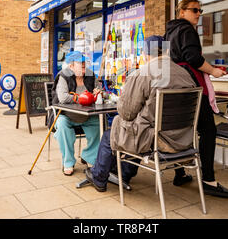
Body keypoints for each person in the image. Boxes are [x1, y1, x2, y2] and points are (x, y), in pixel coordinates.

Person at [84, 35, 197, 192]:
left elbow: (126, 112)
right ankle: (124, 173)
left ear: (146, 54)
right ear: (166, 51)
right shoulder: (186, 74)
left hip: (157, 141)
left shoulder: (143, 74)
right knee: (134, 127)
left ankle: (98, 177)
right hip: (183, 139)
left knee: (113, 132)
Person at [164, 0, 228, 198]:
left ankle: (180, 173)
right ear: (182, 12)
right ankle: (209, 181)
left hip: (175, 88)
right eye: (194, 10)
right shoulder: (187, 29)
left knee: (182, 129)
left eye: (199, 10)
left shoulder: (169, 32)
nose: (198, 14)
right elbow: (193, 58)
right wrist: (213, 71)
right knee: (208, 130)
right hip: (192, 88)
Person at [52, 51, 101, 176]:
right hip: (65, 115)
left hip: (86, 115)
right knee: (62, 126)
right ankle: (68, 161)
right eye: (81, 64)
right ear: (71, 66)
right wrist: (81, 98)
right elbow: (62, 98)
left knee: (98, 123)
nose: (84, 66)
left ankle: (89, 156)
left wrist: (97, 93)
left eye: (85, 63)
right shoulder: (63, 76)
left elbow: (99, 90)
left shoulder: (90, 75)